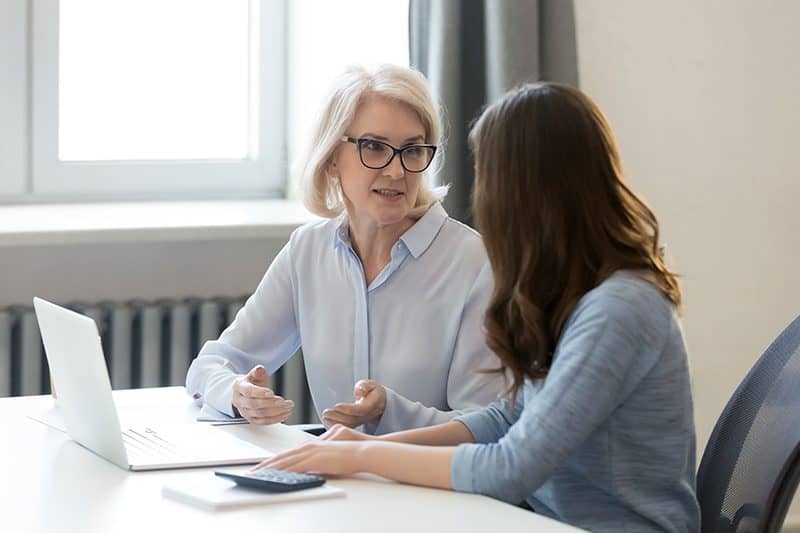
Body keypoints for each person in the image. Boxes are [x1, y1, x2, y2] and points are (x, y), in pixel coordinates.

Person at [253, 83, 701, 532]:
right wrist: (349, 447)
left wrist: (362, 454)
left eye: (488, 175)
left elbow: (508, 469)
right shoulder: (579, 292)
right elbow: (507, 415)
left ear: (523, 191)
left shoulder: (619, 310)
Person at [186, 64, 502, 434]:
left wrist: (390, 409)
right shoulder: (308, 252)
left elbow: (486, 425)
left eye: (413, 150)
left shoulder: (473, 263)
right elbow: (212, 364)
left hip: (430, 486)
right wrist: (237, 393)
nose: (397, 171)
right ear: (333, 157)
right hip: (338, 479)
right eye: (374, 147)